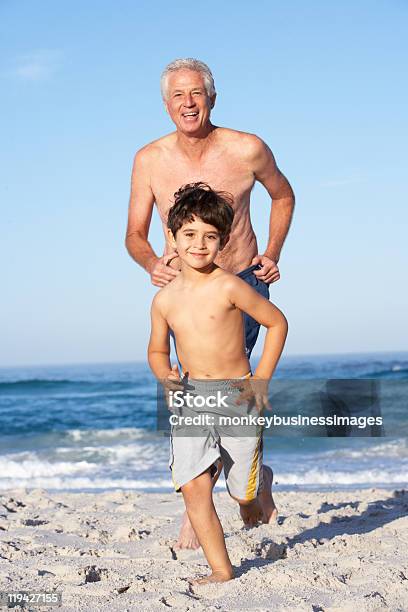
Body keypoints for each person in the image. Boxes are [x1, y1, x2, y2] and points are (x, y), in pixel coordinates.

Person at [126, 57, 295, 548]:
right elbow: (135, 235)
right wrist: (149, 263)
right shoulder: (150, 159)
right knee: (194, 386)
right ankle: (204, 497)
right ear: (165, 104)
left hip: (241, 281)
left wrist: (273, 251)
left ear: (212, 97)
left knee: (230, 393)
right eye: (178, 95)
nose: (188, 103)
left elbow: (283, 196)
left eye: (196, 93)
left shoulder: (246, 148)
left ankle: (235, 486)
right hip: (183, 291)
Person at [148, 184, 288, 583]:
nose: (200, 244)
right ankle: (221, 570)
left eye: (210, 236)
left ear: (223, 241)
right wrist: (165, 375)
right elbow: (157, 350)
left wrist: (260, 379)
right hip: (190, 398)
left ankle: (258, 484)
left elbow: (277, 322)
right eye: (190, 234)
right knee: (193, 487)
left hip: (236, 395)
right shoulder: (164, 301)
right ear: (173, 239)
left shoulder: (229, 285)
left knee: (240, 495)